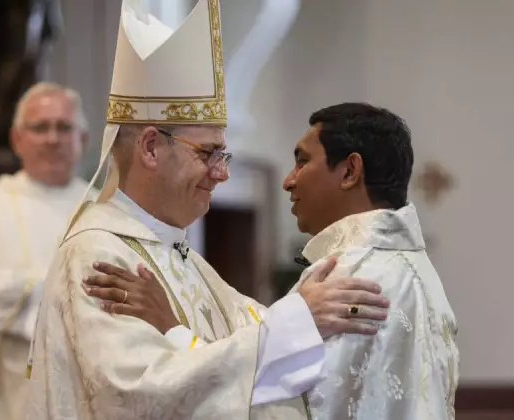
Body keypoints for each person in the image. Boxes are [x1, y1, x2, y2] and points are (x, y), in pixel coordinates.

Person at [23, 2, 390, 419]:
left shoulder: (179, 255)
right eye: (208, 153)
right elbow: (136, 395)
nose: (221, 174)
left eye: (224, 156)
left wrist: (305, 314)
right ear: (148, 147)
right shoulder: (100, 258)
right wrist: (299, 321)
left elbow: (248, 331)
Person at [90, 103, 460, 418]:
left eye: (302, 162)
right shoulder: (416, 271)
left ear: (349, 171)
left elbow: (272, 410)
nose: (288, 181)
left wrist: (173, 329)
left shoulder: (344, 278)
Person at [0, 82, 89, 420]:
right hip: (12, 396)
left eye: (64, 127)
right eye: (40, 127)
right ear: (17, 140)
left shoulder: (104, 210)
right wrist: (61, 295)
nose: (52, 138)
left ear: (82, 139)